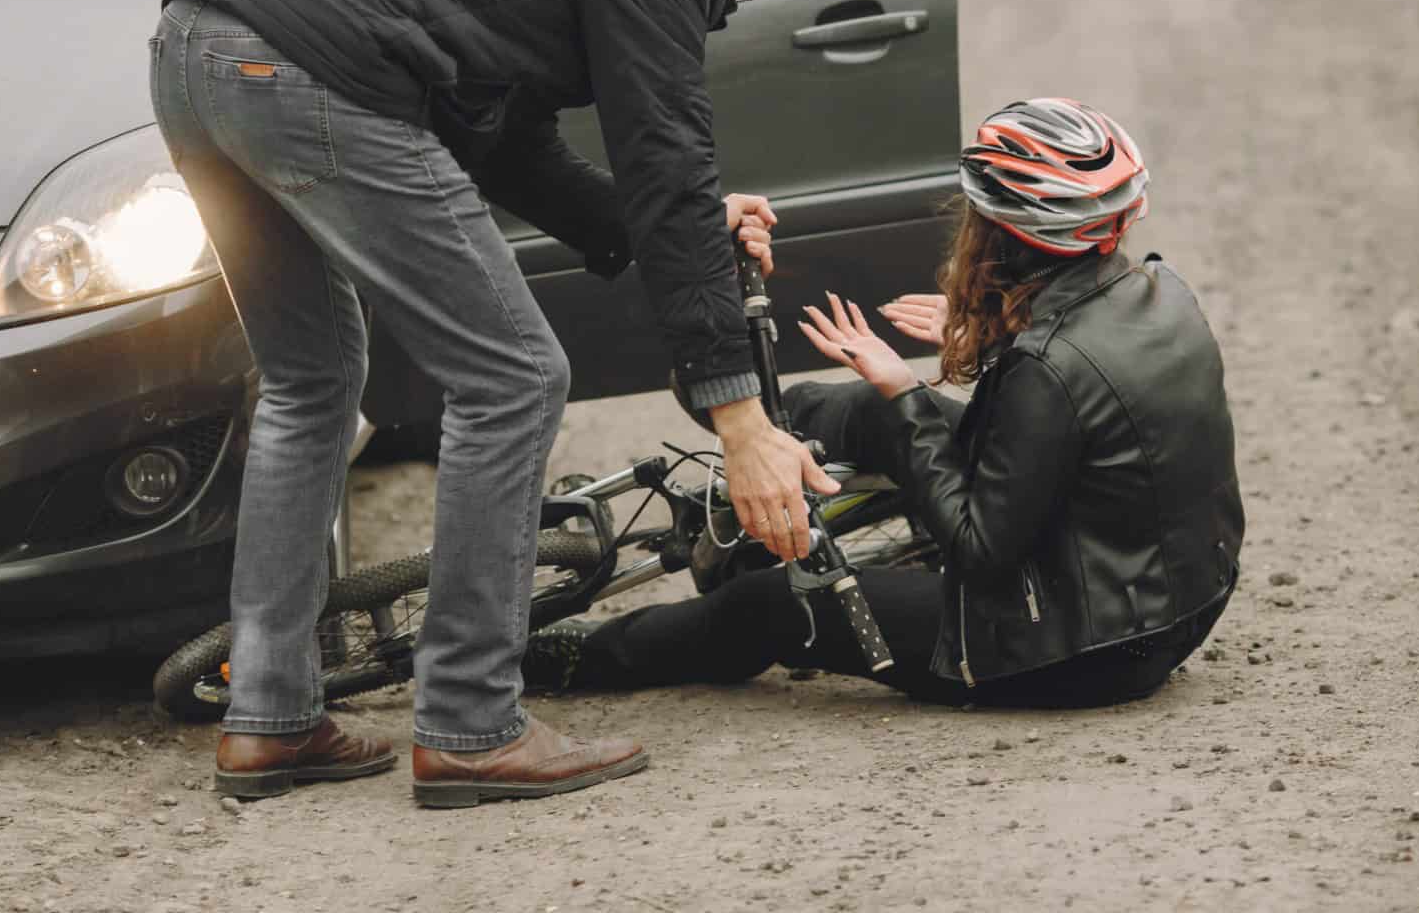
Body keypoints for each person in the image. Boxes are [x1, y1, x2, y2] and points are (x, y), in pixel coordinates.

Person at [149, 0, 840, 807]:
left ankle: (269, 716)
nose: (721, 5)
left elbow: (514, 144)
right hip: (307, 60)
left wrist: (670, 227)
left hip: (193, 50)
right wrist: (742, 416)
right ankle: (471, 719)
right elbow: (669, 160)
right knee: (512, 374)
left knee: (310, 380)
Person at [522, 98, 1245, 709]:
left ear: (1005, 234)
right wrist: (988, 337)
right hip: (1173, 597)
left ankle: (563, 663)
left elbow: (978, 549)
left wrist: (906, 389)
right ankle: (760, 436)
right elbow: (1090, 413)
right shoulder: (1159, 292)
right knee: (875, 412)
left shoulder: (1044, 371)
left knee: (766, 607)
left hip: (1079, 648)